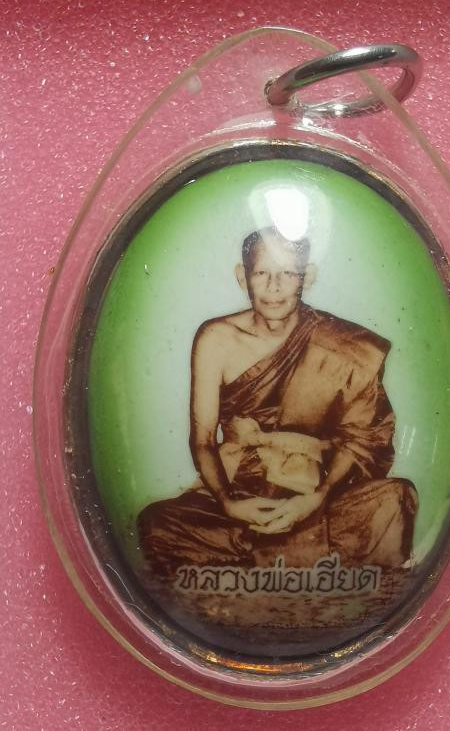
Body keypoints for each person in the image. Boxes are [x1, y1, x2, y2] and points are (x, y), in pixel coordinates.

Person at [138, 227, 417, 579]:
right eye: (261, 273)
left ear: (307, 277)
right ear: (242, 277)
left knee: (395, 499)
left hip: (314, 490)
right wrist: (228, 503)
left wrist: (317, 496)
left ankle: (264, 556)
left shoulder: (344, 345)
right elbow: (203, 440)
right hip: (241, 488)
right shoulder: (216, 339)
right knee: (157, 524)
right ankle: (297, 556)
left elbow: (360, 440)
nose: (274, 287)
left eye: (287, 273)